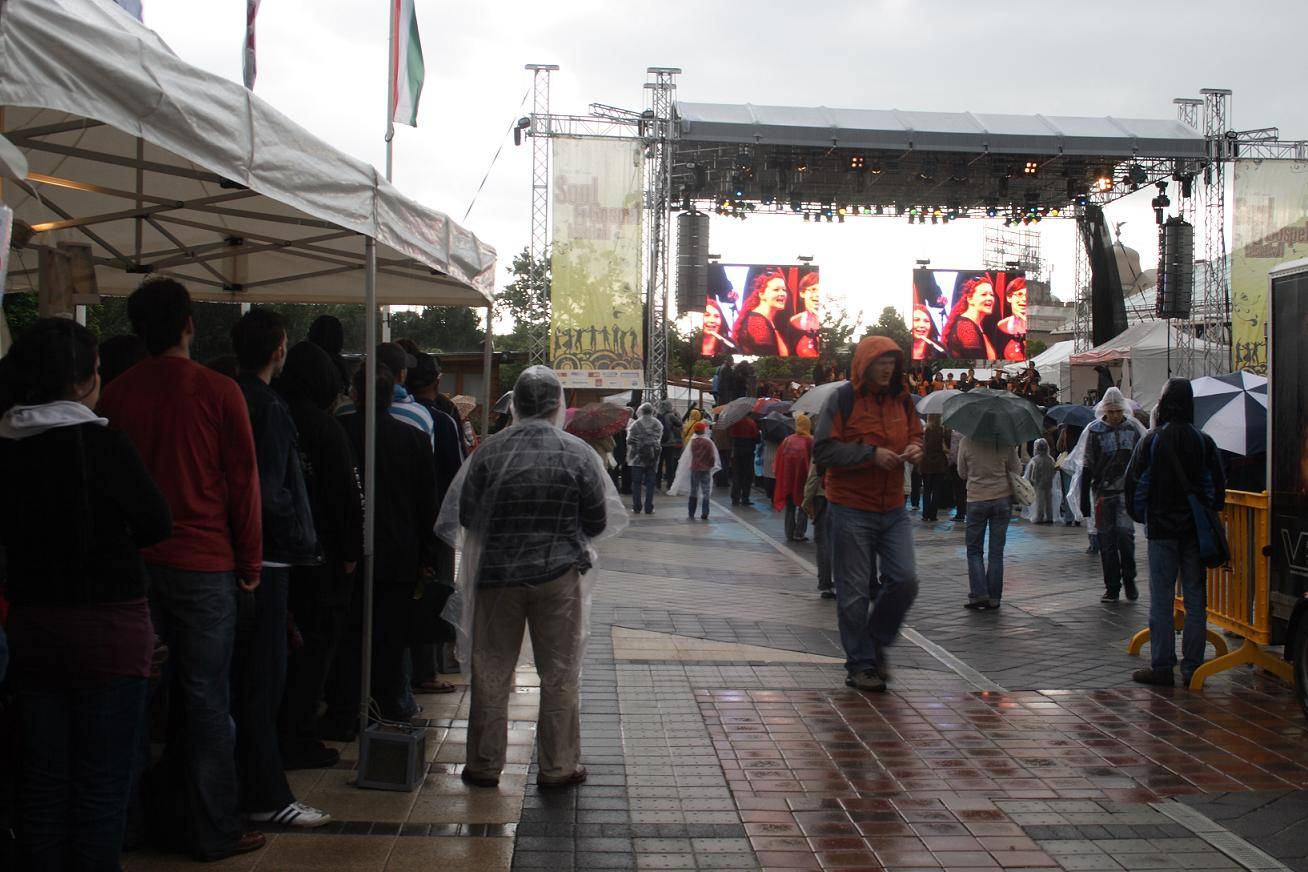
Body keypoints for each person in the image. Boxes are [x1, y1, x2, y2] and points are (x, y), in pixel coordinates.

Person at [95, 279, 265, 862]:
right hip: (206, 565)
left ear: (138, 329)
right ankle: (213, 828)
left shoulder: (114, 395)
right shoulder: (219, 391)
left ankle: (127, 824)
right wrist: (249, 563)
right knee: (206, 701)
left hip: (135, 568)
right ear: (190, 323)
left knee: (135, 698)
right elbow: (243, 485)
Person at [0, 319, 172, 870]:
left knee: (43, 779)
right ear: (78, 383)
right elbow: (154, 523)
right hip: (109, 631)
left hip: (31, 627)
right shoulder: (103, 443)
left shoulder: (7, 446)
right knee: (102, 783)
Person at [442, 366, 621, 788]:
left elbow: (467, 516)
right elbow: (597, 521)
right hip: (558, 578)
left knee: (490, 670)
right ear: (557, 404)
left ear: (516, 404)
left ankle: (484, 765)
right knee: (559, 672)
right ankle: (558, 766)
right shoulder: (577, 453)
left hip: (497, 579)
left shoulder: (489, 452)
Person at [229, 310, 331, 829]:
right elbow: (271, 489)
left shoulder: (224, 395)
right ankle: (266, 793)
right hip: (266, 557)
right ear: (278, 351)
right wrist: (292, 533)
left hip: (227, 556)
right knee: (262, 681)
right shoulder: (268, 406)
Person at [812, 336, 923, 692]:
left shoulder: (902, 399)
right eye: (880, 362)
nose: (887, 368)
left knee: (905, 579)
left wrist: (915, 448)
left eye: (892, 362)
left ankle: (874, 643)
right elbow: (824, 450)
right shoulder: (842, 399)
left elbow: (917, 435)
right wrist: (870, 455)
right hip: (850, 507)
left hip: (892, 507)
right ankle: (860, 663)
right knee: (855, 591)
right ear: (864, 365)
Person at [274, 342, 363, 771]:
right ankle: (300, 736)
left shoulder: (270, 414)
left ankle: (273, 730)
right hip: (322, 560)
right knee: (315, 652)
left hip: (272, 557)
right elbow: (345, 498)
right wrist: (349, 552)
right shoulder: (326, 429)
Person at [338, 365, 438, 722]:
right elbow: (428, 503)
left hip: (347, 552)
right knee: (391, 638)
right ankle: (390, 705)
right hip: (399, 553)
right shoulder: (411, 438)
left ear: (355, 393)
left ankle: (346, 708)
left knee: (349, 635)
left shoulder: (341, 431)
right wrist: (428, 554)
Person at [1125, 378, 1226, 686]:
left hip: (1161, 531)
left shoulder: (1152, 440)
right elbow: (1217, 490)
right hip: (1195, 532)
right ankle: (1194, 668)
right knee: (1196, 599)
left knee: (1162, 598)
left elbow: (1134, 485)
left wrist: (1144, 516)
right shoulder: (1203, 441)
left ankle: (1162, 666)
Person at [1079, 387, 1143, 602]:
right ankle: (1112, 586)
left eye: (1118, 411)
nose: (1115, 415)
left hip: (1125, 493)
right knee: (1106, 542)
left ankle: (1130, 578)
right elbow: (1087, 464)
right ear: (1105, 410)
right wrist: (1083, 499)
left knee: (1126, 537)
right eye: (1111, 411)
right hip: (1102, 494)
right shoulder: (1095, 431)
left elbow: (1139, 461)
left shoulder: (1132, 429)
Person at [957, 433, 1020, 609]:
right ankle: (994, 598)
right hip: (1002, 499)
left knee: (974, 550)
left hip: (976, 499)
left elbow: (962, 473)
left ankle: (979, 594)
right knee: (996, 551)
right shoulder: (1005, 441)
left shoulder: (966, 441)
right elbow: (1016, 470)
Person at [773, 414, 813, 541]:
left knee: (790, 506)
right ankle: (799, 532)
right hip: (803, 478)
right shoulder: (810, 441)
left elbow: (779, 459)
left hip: (788, 479)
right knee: (803, 505)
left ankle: (789, 532)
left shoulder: (787, 440)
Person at [670, 419, 720, 520]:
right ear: (703, 430)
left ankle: (691, 512)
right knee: (706, 490)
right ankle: (705, 512)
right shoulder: (708, 442)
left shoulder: (693, 442)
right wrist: (710, 465)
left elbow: (688, 456)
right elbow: (712, 456)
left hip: (695, 468)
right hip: (705, 469)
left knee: (694, 490)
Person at [732, 270, 791, 356]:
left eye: (784, 290)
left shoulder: (764, 319)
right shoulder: (758, 323)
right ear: (761, 294)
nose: (782, 293)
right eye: (776, 290)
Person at [801, 460, 835, 598]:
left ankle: (825, 585)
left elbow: (814, 475)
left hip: (823, 497)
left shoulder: (824, 441)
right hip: (846, 499)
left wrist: (806, 500)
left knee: (823, 543)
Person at [944, 278, 998, 359]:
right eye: (984, 294)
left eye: (991, 295)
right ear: (970, 299)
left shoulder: (973, 324)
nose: (990, 298)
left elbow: (991, 359)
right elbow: (979, 367)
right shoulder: (967, 327)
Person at [626, 402, 663, 514]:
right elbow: (658, 439)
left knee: (636, 483)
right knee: (650, 483)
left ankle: (637, 506)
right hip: (652, 458)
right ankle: (649, 507)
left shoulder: (635, 424)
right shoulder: (658, 424)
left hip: (637, 458)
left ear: (641, 411)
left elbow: (629, 440)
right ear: (652, 411)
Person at [920, 413, 950, 521]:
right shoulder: (944, 431)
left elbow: (921, 446)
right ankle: (933, 515)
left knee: (926, 491)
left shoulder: (924, 431)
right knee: (937, 491)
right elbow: (948, 446)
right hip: (939, 465)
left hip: (926, 464)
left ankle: (925, 514)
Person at [1024, 438, 1058, 524]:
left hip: (1038, 483)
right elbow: (1054, 471)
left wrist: (1031, 482)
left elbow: (1031, 474)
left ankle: (1039, 517)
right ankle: (1049, 516)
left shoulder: (1035, 460)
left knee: (1040, 501)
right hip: (1048, 483)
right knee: (1048, 500)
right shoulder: (1050, 459)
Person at [788, 272, 821, 358]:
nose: (818, 295)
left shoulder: (831, 323)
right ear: (802, 293)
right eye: (813, 289)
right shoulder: (793, 322)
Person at [729, 413, 760, 505]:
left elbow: (730, 434)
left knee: (737, 474)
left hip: (737, 449)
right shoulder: (751, 423)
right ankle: (745, 497)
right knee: (747, 474)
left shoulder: (735, 422)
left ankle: (735, 497)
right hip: (748, 449)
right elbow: (756, 437)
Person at [997, 277, 1028, 361]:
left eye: (1027, 295)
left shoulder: (1035, 327)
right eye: (1020, 294)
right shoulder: (1000, 326)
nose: (1024, 299)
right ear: (1009, 297)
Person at [656, 399, 683, 490]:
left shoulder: (657, 416)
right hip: (670, 443)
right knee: (669, 465)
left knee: (659, 464)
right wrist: (677, 415)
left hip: (659, 443)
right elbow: (680, 424)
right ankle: (670, 484)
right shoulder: (671, 416)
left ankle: (657, 483)